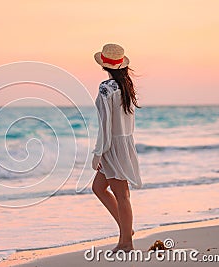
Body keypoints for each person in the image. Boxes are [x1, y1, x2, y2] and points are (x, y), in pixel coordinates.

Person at [91, 43, 142, 252]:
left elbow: (105, 124)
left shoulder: (106, 88)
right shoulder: (126, 86)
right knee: (99, 188)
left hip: (112, 146)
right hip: (124, 143)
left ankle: (126, 243)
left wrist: (98, 152)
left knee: (122, 195)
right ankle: (126, 230)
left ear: (104, 65)